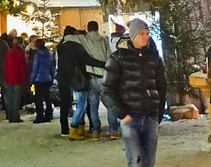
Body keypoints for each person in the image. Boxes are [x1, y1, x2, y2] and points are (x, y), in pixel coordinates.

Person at [102, 18, 166, 167]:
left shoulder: (154, 57)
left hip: (151, 116)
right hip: (130, 117)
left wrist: (159, 111)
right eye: (142, 33)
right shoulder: (117, 58)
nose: (146, 36)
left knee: (149, 161)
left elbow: (162, 87)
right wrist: (122, 113)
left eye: (147, 33)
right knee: (136, 161)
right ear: (133, 35)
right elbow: (107, 90)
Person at [57, 25, 105, 139]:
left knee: (66, 103)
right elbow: (87, 60)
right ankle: (75, 128)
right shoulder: (76, 46)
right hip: (78, 78)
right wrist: (103, 64)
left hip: (63, 77)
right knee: (82, 103)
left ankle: (68, 128)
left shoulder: (61, 45)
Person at [72, 20, 115, 140]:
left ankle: (96, 131)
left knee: (93, 106)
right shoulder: (104, 40)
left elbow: (70, 38)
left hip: (91, 77)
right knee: (110, 104)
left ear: (88, 28)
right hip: (104, 77)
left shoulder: (84, 40)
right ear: (97, 28)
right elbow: (109, 57)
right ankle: (113, 130)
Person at [3, 35, 28, 123]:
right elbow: (23, 67)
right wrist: (25, 78)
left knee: (10, 98)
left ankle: (10, 117)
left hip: (8, 78)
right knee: (16, 99)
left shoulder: (8, 52)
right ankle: (15, 117)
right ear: (20, 43)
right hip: (18, 78)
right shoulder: (20, 53)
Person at [30, 37, 55, 123]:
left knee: (38, 99)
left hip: (39, 79)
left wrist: (31, 79)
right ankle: (49, 115)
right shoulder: (50, 54)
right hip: (48, 78)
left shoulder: (37, 55)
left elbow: (35, 67)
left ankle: (40, 116)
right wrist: (52, 77)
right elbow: (52, 67)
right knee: (47, 97)